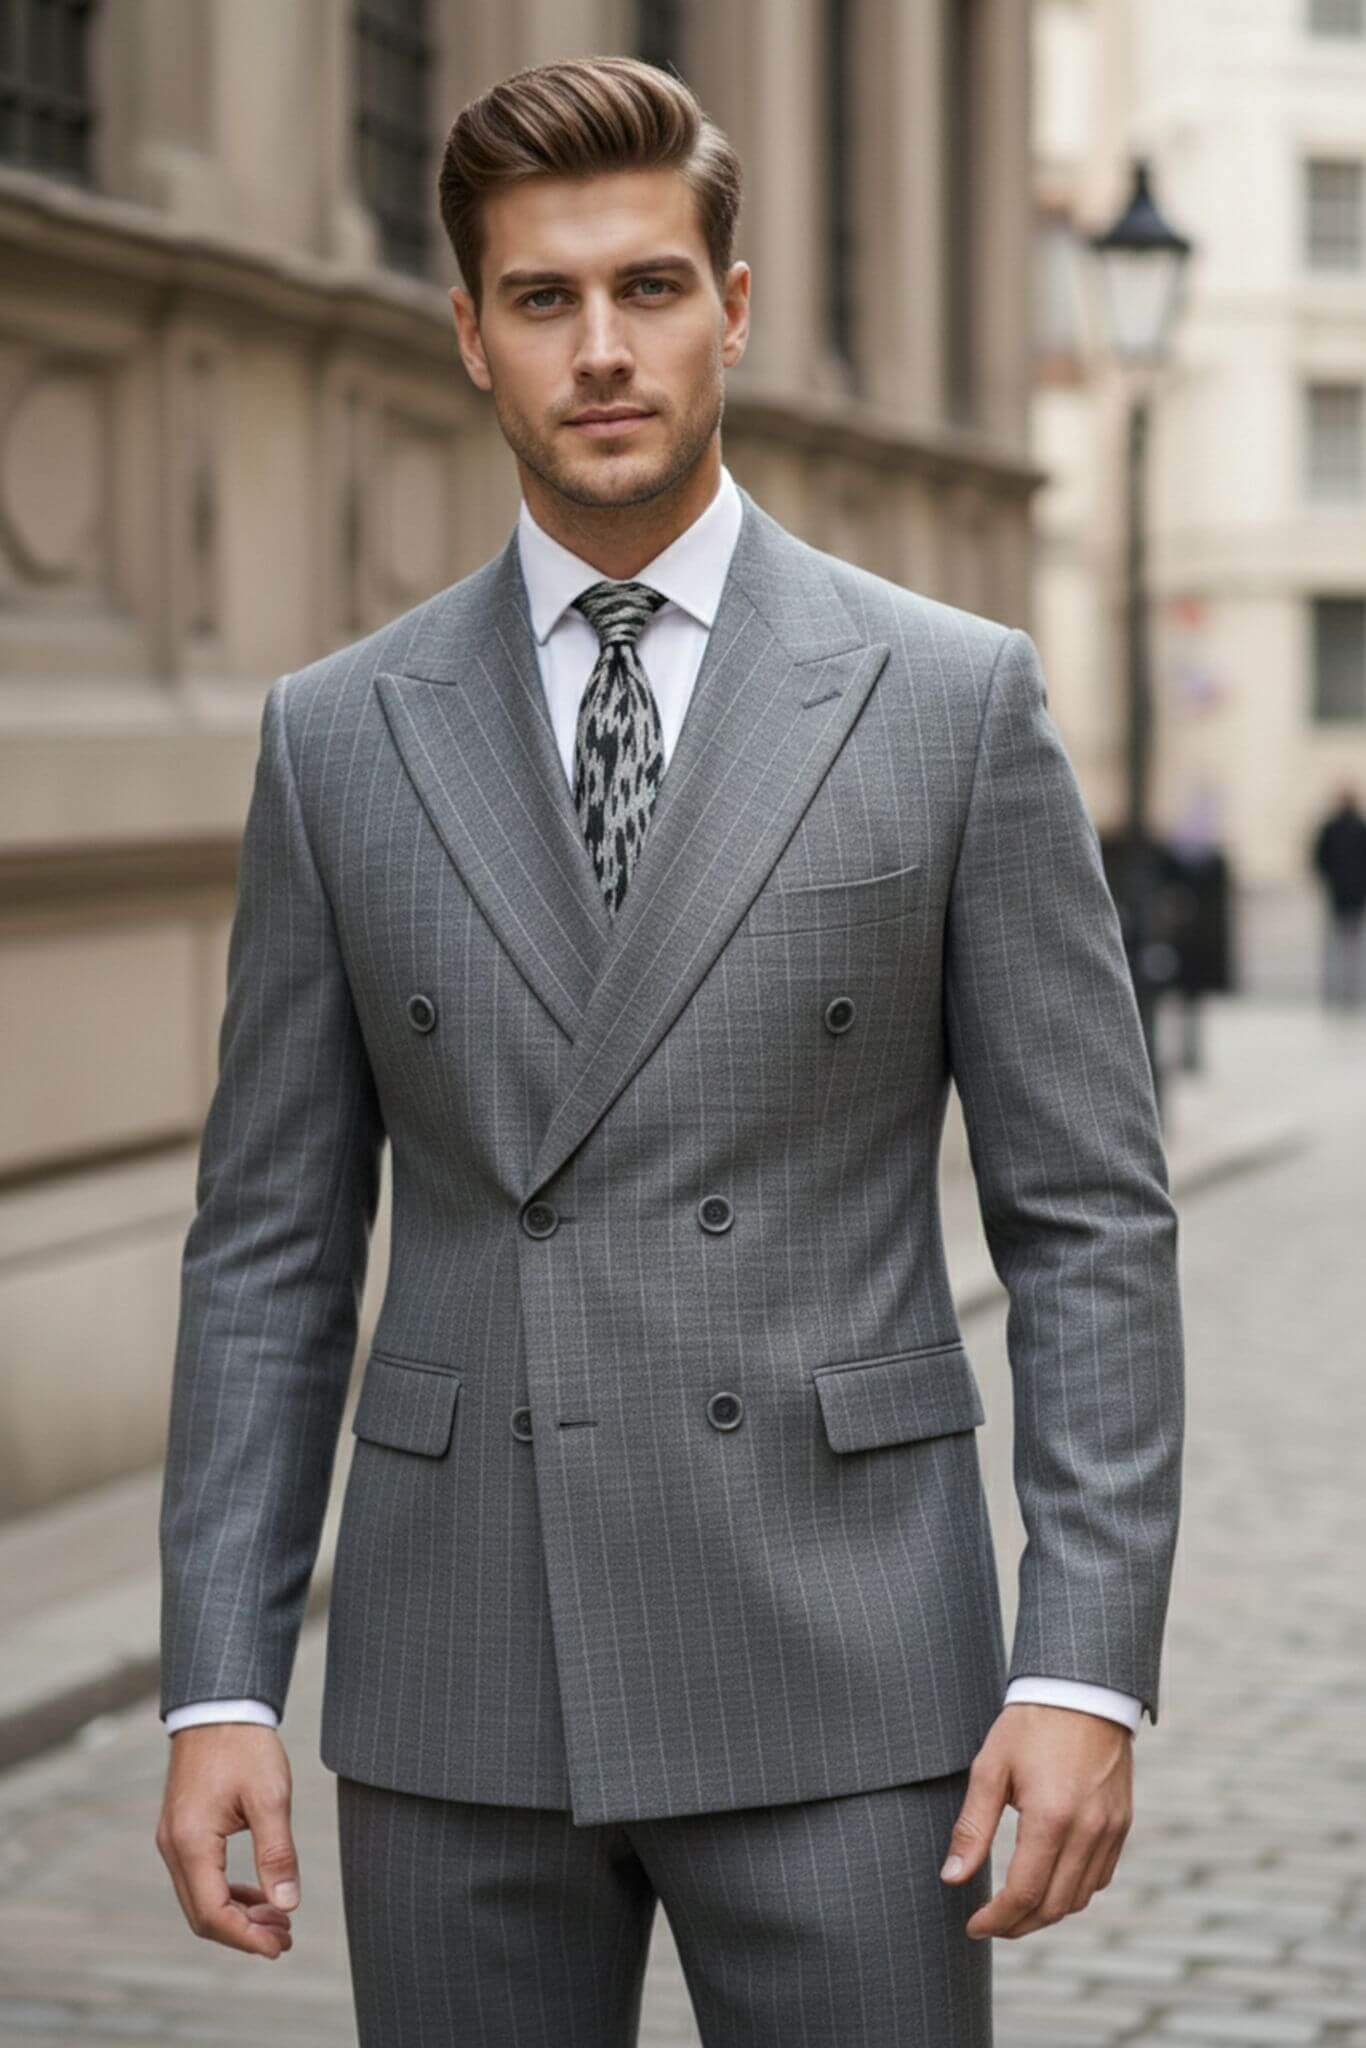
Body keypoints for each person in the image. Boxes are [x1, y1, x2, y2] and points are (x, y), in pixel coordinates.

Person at [155, 54, 1186, 2047]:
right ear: (467, 333)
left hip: (849, 1663)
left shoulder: (948, 701)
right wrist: (217, 1681)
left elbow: (1088, 1221)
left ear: (733, 303)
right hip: (459, 1674)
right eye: (540, 300)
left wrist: (1081, 1665)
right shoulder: (337, 737)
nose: (598, 348)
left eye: (645, 287)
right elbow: (268, 1245)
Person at [1311, 785, 1366, 1010]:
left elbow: (1319, 858)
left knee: (1344, 944)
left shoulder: (1335, 828)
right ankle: (1342, 989)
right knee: (1347, 944)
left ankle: (1343, 989)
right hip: (1347, 892)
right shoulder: (1346, 828)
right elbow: (1320, 858)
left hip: (1343, 892)